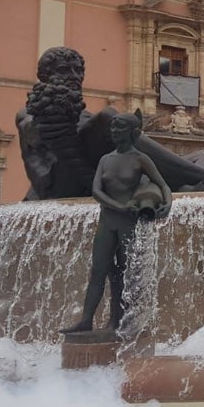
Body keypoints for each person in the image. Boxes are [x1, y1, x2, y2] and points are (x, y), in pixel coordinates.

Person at [61, 110, 173, 333]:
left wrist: (167, 203)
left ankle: (119, 321)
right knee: (98, 270)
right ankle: (86, 320)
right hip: (108, 221)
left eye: (120, 127)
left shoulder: (141, 159)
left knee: (123, 273)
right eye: (113, 127)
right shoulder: (106, 159)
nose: (114, 131)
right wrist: (119, 206)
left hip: (129, 224)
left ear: (133, 132)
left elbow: (163, 185)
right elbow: (96, 191)